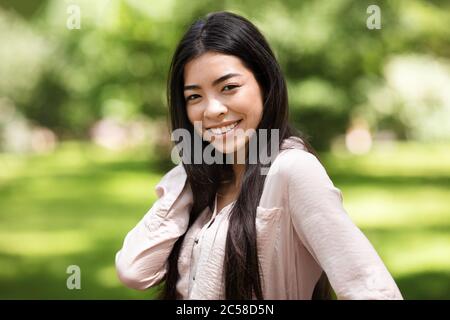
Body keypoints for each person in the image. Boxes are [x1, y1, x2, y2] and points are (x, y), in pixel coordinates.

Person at [115, 11, 403, 300]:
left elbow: (371, 289)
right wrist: (192, 170)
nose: (212, 110)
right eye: (194, 96)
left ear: (265, 85)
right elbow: (135, 270)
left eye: (228, 87)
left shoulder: (291, 170)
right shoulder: (205, 184)